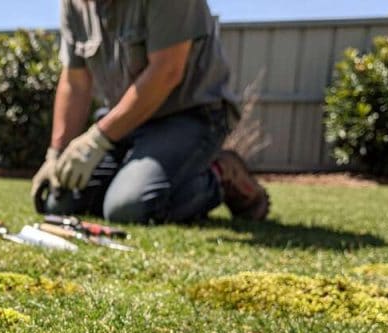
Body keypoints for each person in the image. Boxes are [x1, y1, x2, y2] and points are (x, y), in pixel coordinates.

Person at [31, 0, 271, 225]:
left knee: (129, 208)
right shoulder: (74, 4)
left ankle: (221, 174)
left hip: (191, 115)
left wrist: (97, 139)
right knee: (60, 203)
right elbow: (75, 82)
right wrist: (56, 153)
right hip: (124, 122)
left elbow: (167, 70)